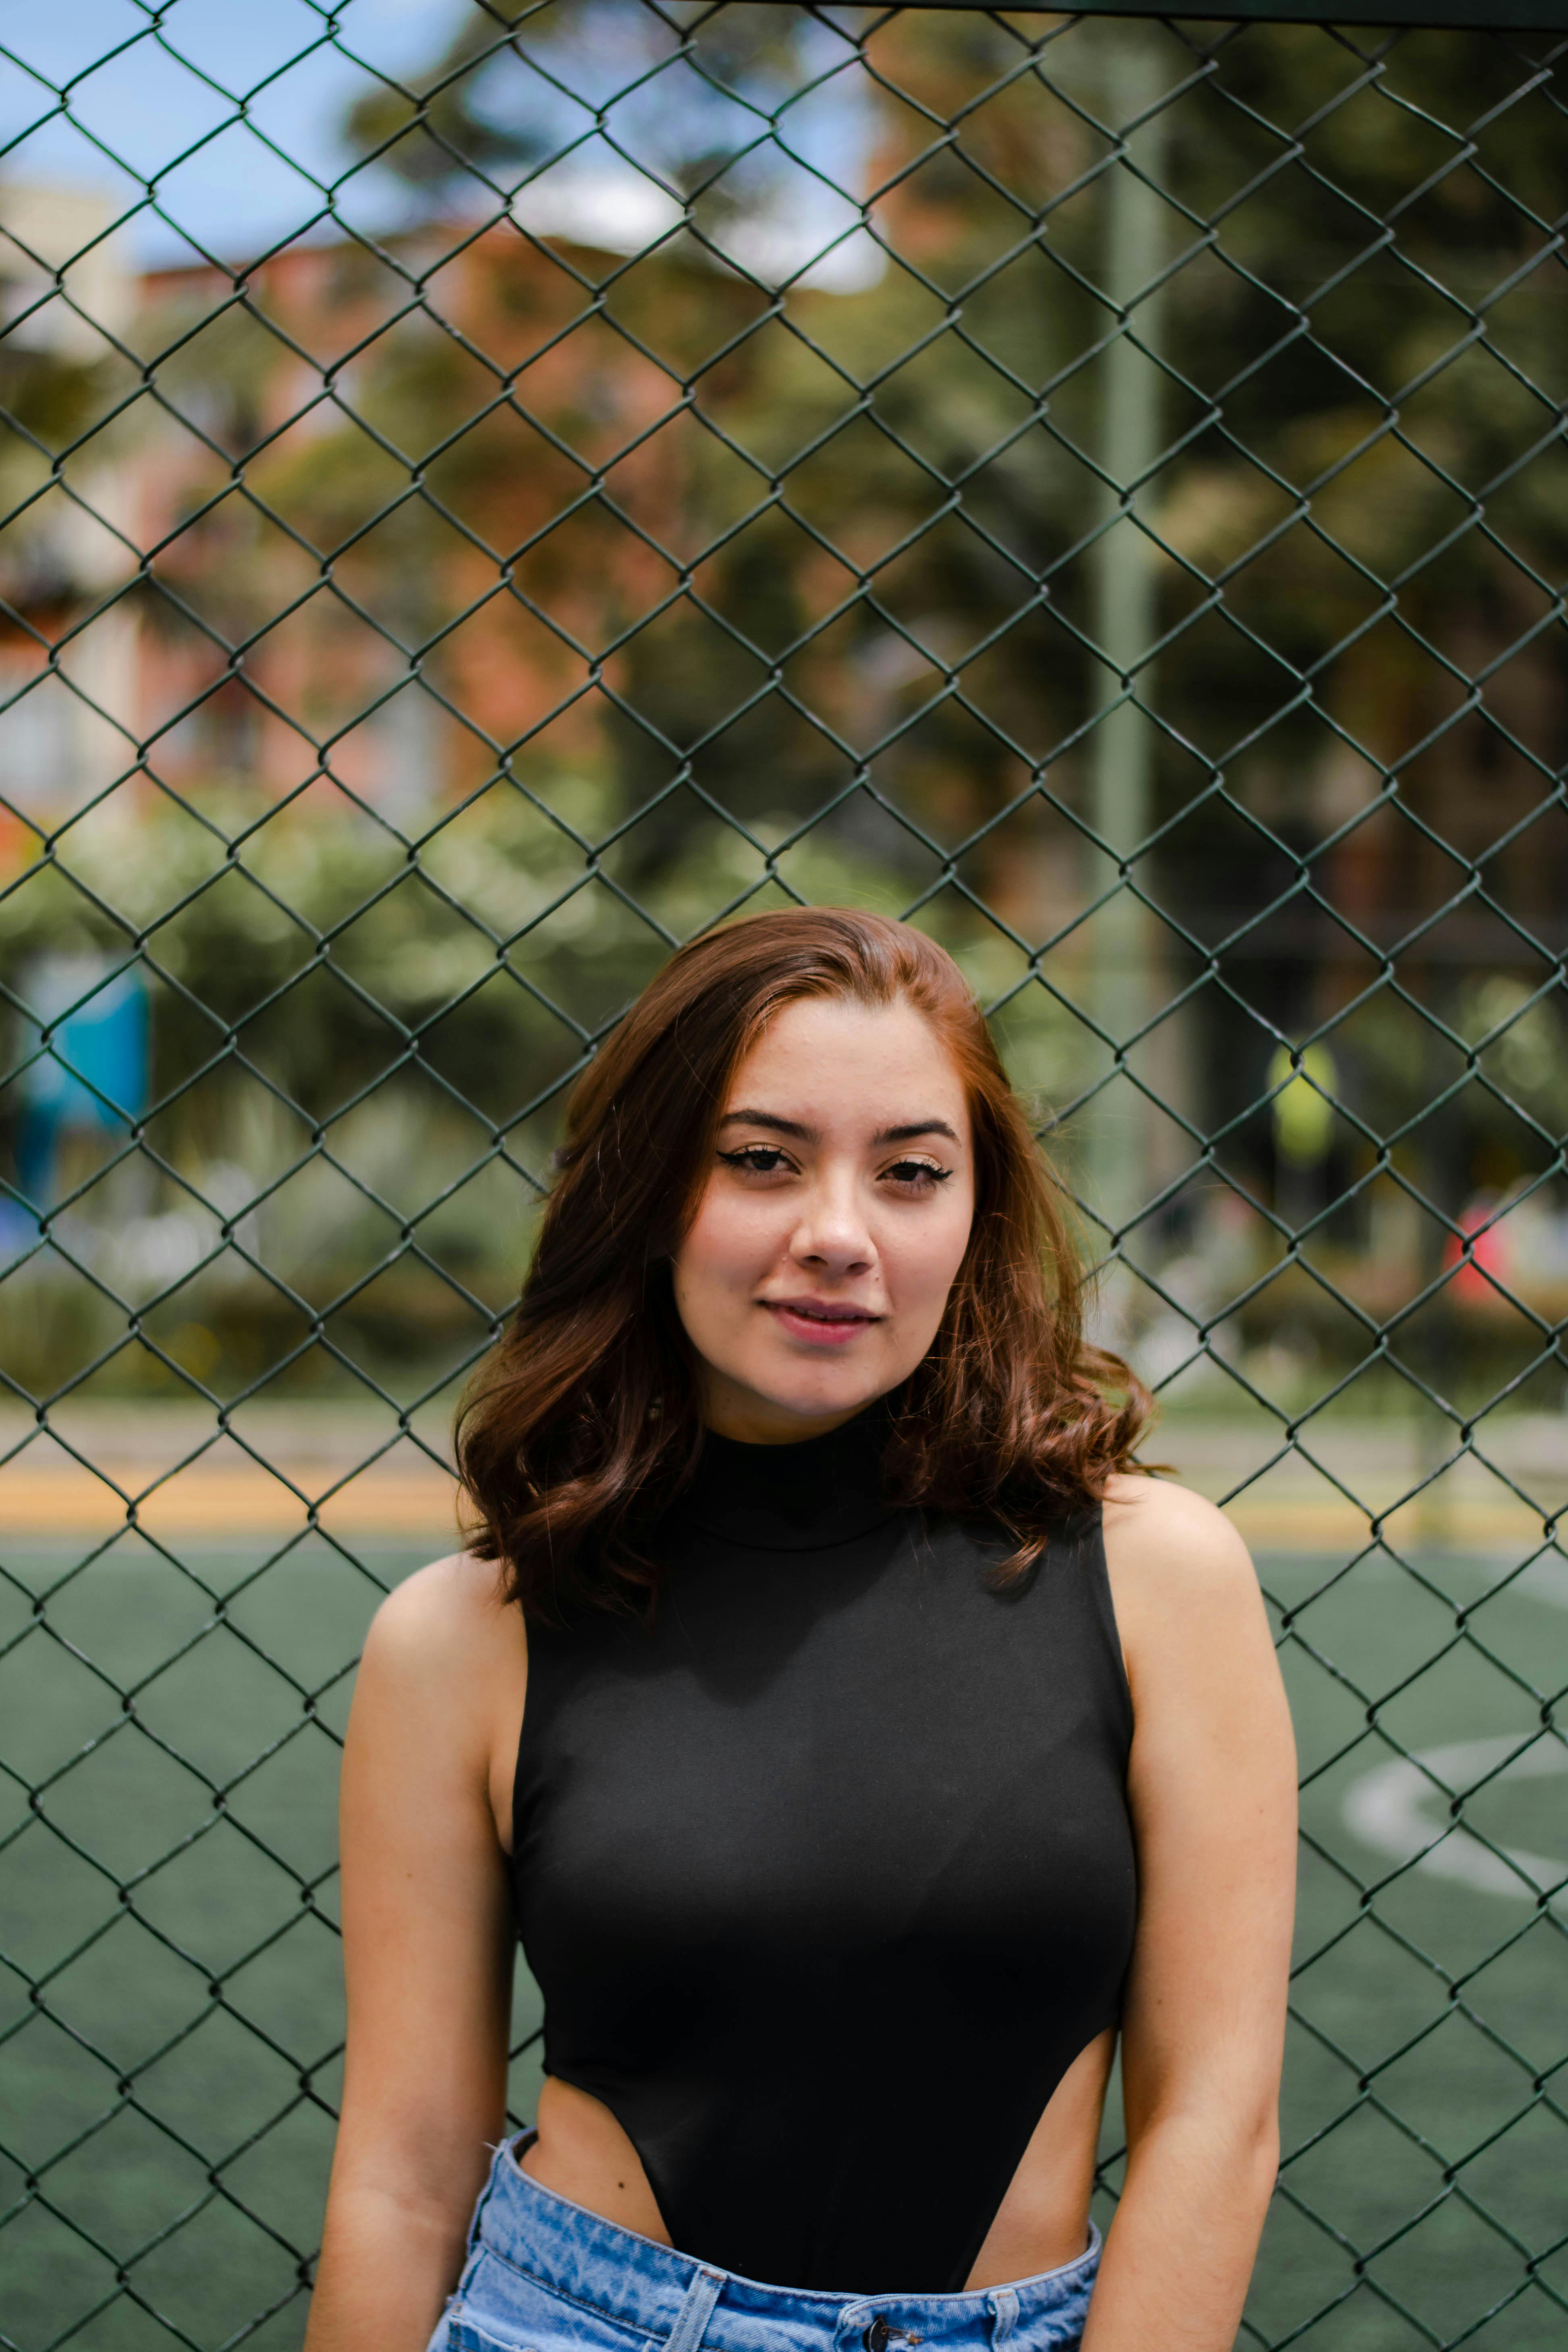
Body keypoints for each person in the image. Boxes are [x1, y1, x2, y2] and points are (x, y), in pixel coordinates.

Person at [304, 909, 1296, 2352]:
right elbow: (403, 2178)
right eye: (760, 1160)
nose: (838, 1235)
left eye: (909, 1173)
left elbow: (1216, 2118)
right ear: (649, 1193)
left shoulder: (1157, 1578)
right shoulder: (463, 1639)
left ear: (976, 1209)